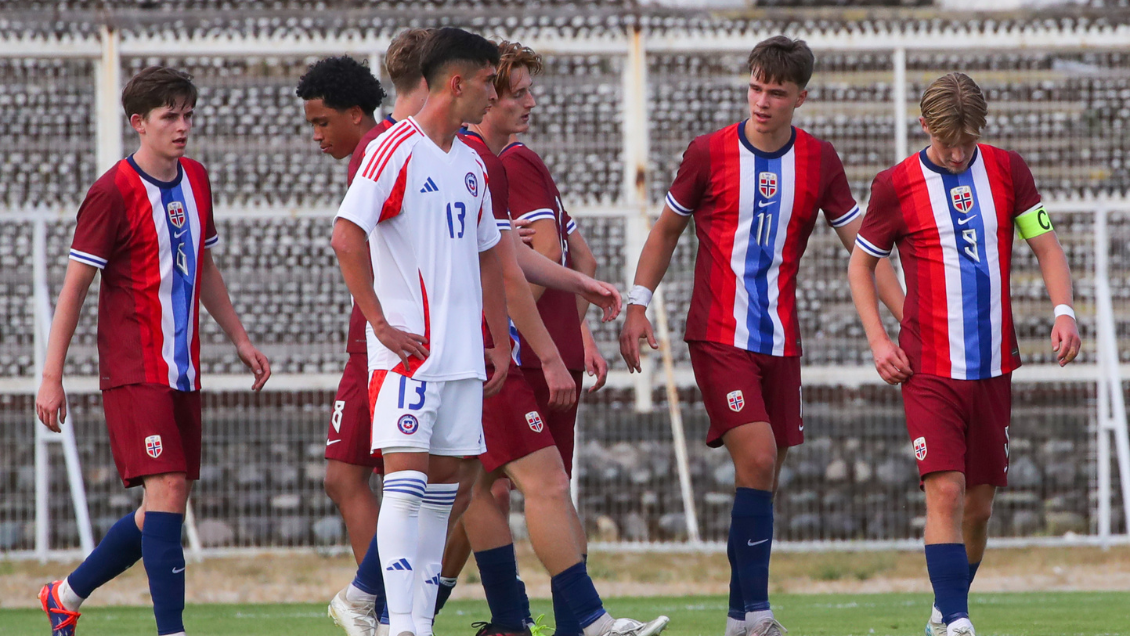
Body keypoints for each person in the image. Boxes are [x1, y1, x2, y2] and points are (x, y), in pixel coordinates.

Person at [618, 36, 904, 636]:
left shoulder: (820, 162)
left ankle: (737, 618)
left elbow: (866, 249)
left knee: (765, 475)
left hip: (781, 341)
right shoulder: (708, 153)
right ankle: (760, 615)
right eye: (755, 87)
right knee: (759, 456)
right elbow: (666, 230)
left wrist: (909, 317)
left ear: (802, 96)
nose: (763, 101)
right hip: (718, 335)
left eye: (777, 92)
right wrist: (638, 305)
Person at [35, 66, 271, 636]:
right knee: (165, 489)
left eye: (188, 114)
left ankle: (63, 595)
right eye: (170, 116)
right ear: (139, 123)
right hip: (134, 369)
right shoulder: (111, 191)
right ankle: (173, 630)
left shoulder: (196, 178)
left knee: (164, 505)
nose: (183, 126)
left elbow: (204, 266)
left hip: (182, 368)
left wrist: (238, 337)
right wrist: (51, 376)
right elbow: (74, 288)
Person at [849, 72, 1080, 636]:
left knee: (979, 507)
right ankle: (957, 619)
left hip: (995, 364)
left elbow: (1046, 246)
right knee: (945, 489)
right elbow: (862, 265)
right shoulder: (895, 185)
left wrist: (1064, 311)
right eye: (946, 142)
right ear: (924, 125)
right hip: (928, 366)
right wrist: (882, 340)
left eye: (967, 142)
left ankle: (942, 610)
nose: (956, 154)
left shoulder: (1008, 169)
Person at [451, 40, 667, 636]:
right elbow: (520, 266)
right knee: (500, 490)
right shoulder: (480, 160)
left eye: (528, 90)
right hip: (496, 357)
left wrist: (580, 299)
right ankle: (566, 620)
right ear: (480, 95)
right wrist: (543, 344)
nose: (529, 102)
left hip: (516, 353)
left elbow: (547, 252)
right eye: (516, 92)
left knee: (489, 490)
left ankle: (521, 619)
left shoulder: (504, 161)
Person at [331, 27, 510, 636]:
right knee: (404, 488)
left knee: (443, 497)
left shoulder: (471, 162)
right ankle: (400, 625)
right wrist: (380, 321)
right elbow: (346, 235)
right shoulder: (392, 148)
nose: (496, 93)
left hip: (461, 359)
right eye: (490, 81)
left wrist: (501, 338)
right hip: (408, 355)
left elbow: (489, 253)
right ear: (456, 83)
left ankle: (412, 622)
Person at [294, 30, 431, 636]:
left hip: (386, 342)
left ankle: (378, 602)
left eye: (323, 123)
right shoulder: (376, 149)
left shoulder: (378, 150)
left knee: (400, 483)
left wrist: (377, 319)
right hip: (372, 338)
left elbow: (352, 242)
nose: (317, 136)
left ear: (357, 113)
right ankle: (377, 602)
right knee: (353, 477)